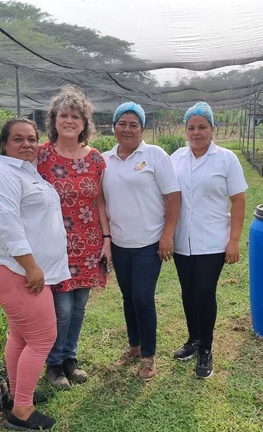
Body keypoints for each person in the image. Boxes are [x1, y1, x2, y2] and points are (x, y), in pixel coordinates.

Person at [0, 118, 68, 430]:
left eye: (32, 138)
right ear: (4, 144)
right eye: (18, 139)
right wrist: (30, 266)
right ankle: (22, 412)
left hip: (23, 271)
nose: (27, 144)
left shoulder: (24, 172)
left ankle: (19, 396)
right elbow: (5, 226)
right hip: (16, 271)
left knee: (21, 336)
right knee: (42, 338)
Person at [102, 101, 181, 381]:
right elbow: (101, 201)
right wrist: (107, 238)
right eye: (122, 123)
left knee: (142, 298)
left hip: (149, 242)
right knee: (127, 297)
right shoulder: (104, 160)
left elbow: (173, 196)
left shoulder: (155, 155)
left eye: (133, 124)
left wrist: (167, 234)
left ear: (142, 129)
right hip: (120, 242)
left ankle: (148, 356)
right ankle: (134, 347)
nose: (127, 129)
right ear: (114, 127)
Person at [37, 86, 109, 389]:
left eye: (75, 116)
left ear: (84, 123)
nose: (69, 120)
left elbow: (100, 201)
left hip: (88, 241)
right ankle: (53, 363)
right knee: (62, 308)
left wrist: (106, 238)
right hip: (54, 243)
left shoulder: (95, 159)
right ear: (54, 120)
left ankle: (70, 358)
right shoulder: (41, 155)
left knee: (79, 305)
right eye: (63, 115)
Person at [170, 102, 247, 379]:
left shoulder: (226, 159)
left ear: (213, 128)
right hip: (182, 240)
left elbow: (238, 200)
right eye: (191, 127)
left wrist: (234, 240)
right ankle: (193, 340)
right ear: (185, 130)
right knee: (188, 292)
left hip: (213, 240)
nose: (196, 132)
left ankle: (206, 349)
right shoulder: (176, 158)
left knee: (204, 291)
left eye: (202, 127)